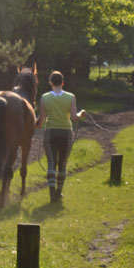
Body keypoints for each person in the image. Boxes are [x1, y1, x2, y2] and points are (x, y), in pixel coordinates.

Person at [36, 70, 85, 203]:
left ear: (50, 82)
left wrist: (34, 123)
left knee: (51, 163)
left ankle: (52, 193)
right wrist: (81, 113)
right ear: (63, 82)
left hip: (50, 132)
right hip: (66, 132)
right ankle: (59, 193)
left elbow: (41, 122)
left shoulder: (44, 97)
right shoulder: (71, 97)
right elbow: (75, 118)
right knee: (62, 163)